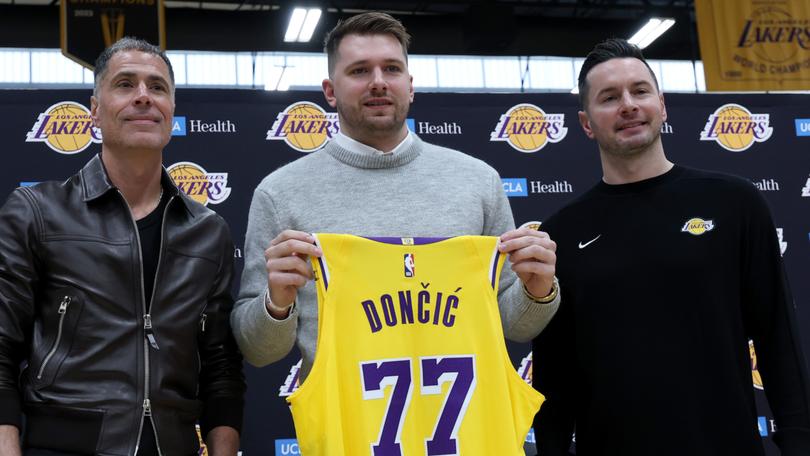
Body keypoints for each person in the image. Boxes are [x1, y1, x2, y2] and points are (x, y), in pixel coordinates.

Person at [232, 11, 559, 384]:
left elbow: (514, 325)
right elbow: (257, 350)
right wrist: (275, 305)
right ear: (330, 91)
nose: (378, 83)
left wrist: (538, 290)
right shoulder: (279, 194)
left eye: (391, 69)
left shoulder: (478, 181)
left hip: (467, 432)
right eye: (358, 71)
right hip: (344, 433)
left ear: (410, 85)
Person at [532, 38, 810, 456]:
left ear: (661, 105)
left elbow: (777, 342)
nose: (628, 105)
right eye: (609, 97)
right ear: (586, 122)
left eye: (639, 91)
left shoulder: (735, 204)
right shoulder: (561, 234)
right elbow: (554, 380)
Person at [0, 38, 245, 456]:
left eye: (158, 87)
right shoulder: (37, 212)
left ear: (171, 111)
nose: (143, 97)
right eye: (125, 84)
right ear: (95, 109)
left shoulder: (208, 231)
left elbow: (221, 367)